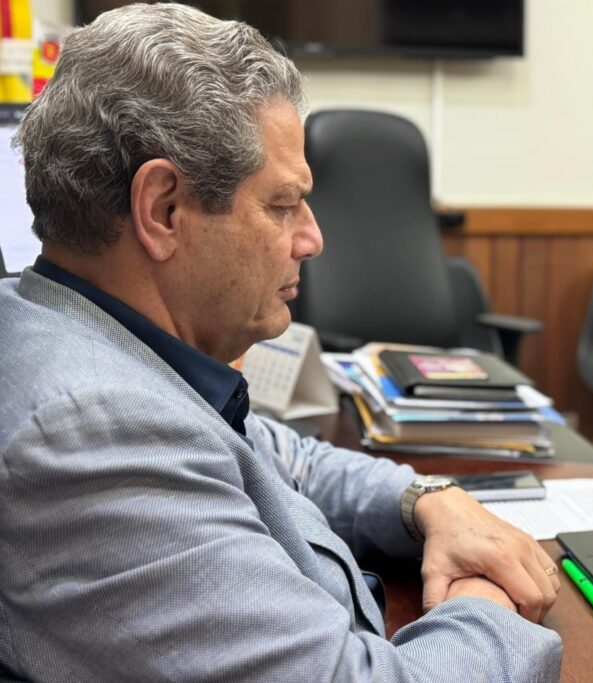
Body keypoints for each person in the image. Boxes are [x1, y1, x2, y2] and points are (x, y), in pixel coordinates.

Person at [0, 4, 561, 680]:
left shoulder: (72, 330)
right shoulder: (92, 431)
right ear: (163, 209)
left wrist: (428, 502)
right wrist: (487, 597)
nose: (312, 238)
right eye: (281, 204)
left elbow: (279, 456)